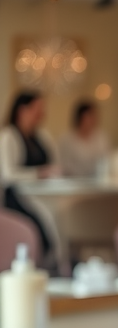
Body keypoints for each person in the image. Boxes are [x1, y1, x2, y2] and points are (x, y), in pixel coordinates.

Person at [1, 91, 59, 256]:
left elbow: (54, 162)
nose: (42, 114)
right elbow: (8, 175)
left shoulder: (41, 136)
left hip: (46, 196)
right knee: (39, 230)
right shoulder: (9, 136)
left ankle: (58, 264)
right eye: (37, 109)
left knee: (59, 220)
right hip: (19, 199)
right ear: (22, 110)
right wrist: (39, 174)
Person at [58, 100, 111, 178]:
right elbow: (63, 165)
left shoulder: (101, 137)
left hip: (98, 182)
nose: (94, 119)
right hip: (74, 182)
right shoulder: (67, 139)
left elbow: (107, 160)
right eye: (90, 115)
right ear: (81, 117)